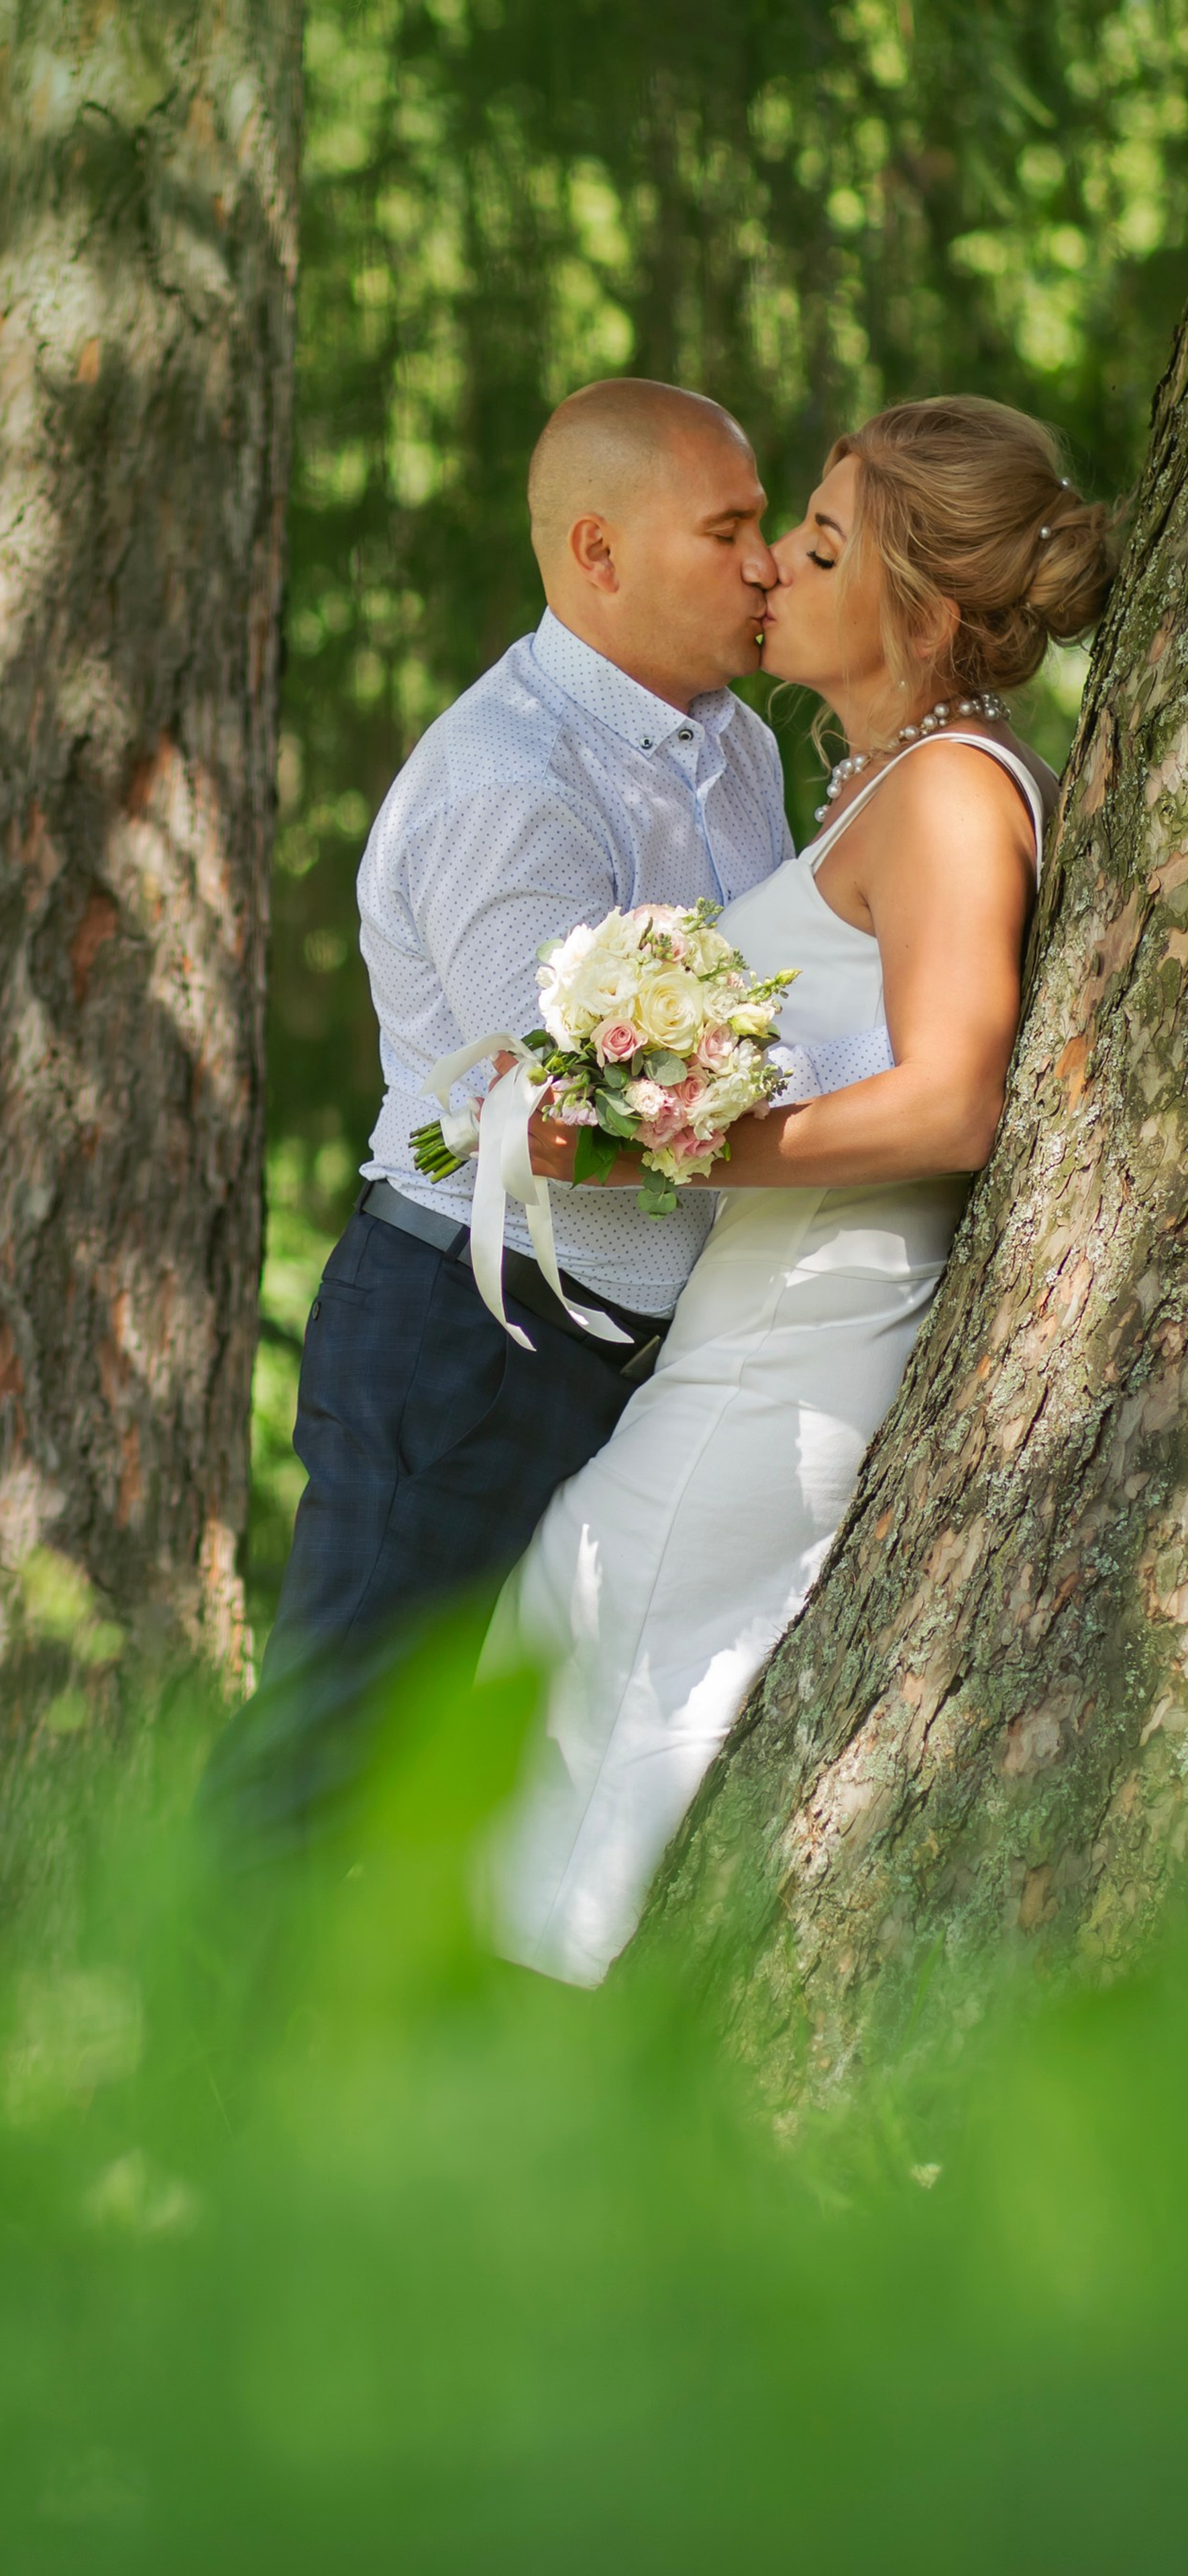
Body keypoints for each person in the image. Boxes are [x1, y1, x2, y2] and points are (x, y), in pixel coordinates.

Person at [487, 394, 1116, 1986]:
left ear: (922, 610)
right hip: (751, 1321)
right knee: (564, 1664)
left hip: (806, 1344)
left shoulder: (952, 792)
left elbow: (951, 1104)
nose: (769, 562)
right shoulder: (873, 782)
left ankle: (523, 2064)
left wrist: (658, 1142)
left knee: (587, 1683)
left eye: (820, 548)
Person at [205, 378, 861, 1851]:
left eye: (762, 526)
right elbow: (559, 1126)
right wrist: (882, 1134)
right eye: (726, 531)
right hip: (470, 1338)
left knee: (505, 1796)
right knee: (335, 1753)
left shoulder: (741, 746)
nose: (764, 564)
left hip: (642, 1353)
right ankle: (191, 2006)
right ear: (596, 552)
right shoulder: (506, 783)